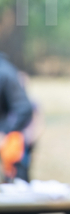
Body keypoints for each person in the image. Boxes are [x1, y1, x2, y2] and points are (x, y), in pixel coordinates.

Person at [0, 53, 33, 182]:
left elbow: (23, 107)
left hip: (10, 144)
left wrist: (5, 132)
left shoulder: (5, 72)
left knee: (16, 189)